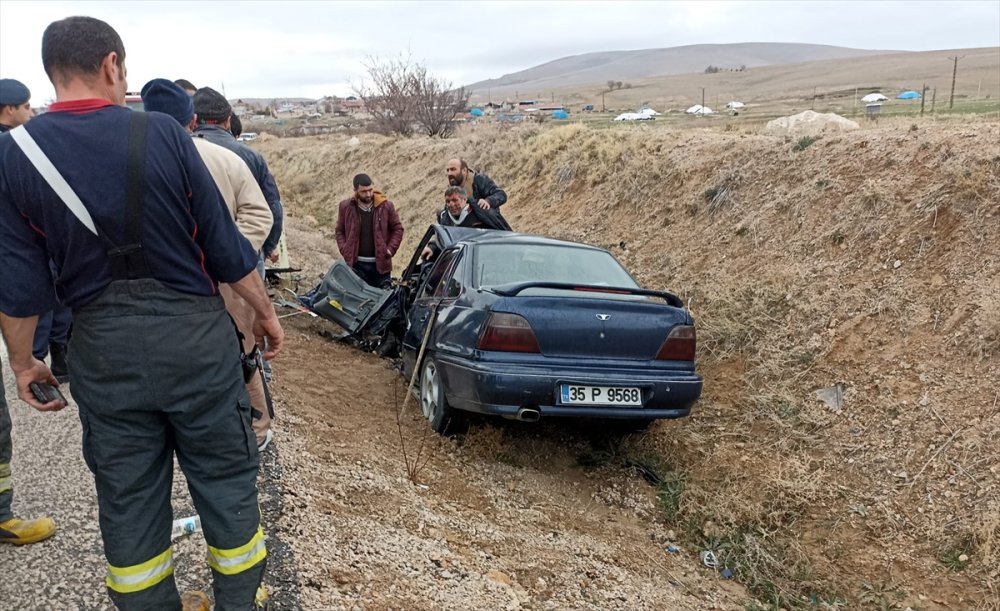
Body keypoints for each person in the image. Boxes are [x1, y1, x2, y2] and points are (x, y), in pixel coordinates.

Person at [0, 16, 283, 610]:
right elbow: (225, 246)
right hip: (195, 344)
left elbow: (20, 283)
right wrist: (263, 312)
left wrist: (24, 363)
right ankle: (237, 601)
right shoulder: (163, 134)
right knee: (226, 482)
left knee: (127, 496)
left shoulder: (14, 154)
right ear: (111, 64)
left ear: (51, 71)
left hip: (101, 351)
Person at [142, 78, 275, 452]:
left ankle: (194, 431)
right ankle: (255, 430)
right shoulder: (226, 158)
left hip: (166, 283)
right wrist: (226, 255)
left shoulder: (124, 161)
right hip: (228, 281)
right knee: (242, 353)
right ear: (191, 120)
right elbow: (261, 214)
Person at [0, 79, 72, 382]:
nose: (31, 113)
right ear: (9, 109)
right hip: (24, 241)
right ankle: (41, 362)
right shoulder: (17, 147)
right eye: (26, 107)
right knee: (42, 301)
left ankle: (47, 358)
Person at [192, 87, 282, 264]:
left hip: (194, 257)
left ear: (193, 120)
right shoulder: (250, 155)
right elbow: (273, 206)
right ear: (228, 121)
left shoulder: (178, 152)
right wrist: (268, 246)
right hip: (244, 252)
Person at [335, 173, 404, 288]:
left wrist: (390, 249)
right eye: (364, 191)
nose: (368, 194)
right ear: (355, 190)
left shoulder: (386, 206)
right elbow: (339, 230)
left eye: (370, 190)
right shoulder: (346, 207)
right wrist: (345, 250)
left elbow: (398, 229)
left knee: (383, 297)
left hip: (381, 267)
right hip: (356, 266)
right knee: (356, 297)